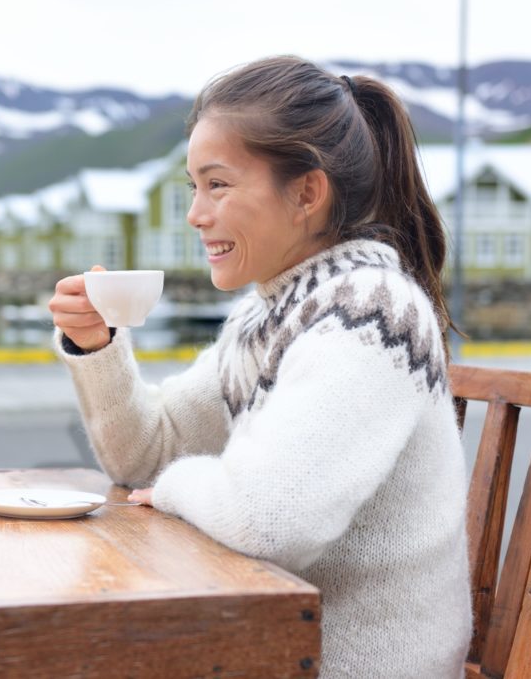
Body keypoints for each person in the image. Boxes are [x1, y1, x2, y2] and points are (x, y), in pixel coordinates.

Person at [49, 56, 472, 676]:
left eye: (218, 184)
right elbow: (146, 450)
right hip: (269, 643)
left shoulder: (370, 315)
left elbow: (269, 519)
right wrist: (97, 346)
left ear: (306, 191)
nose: (196, 213)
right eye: (194, 187)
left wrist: (169, 492)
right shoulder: (271, 313)